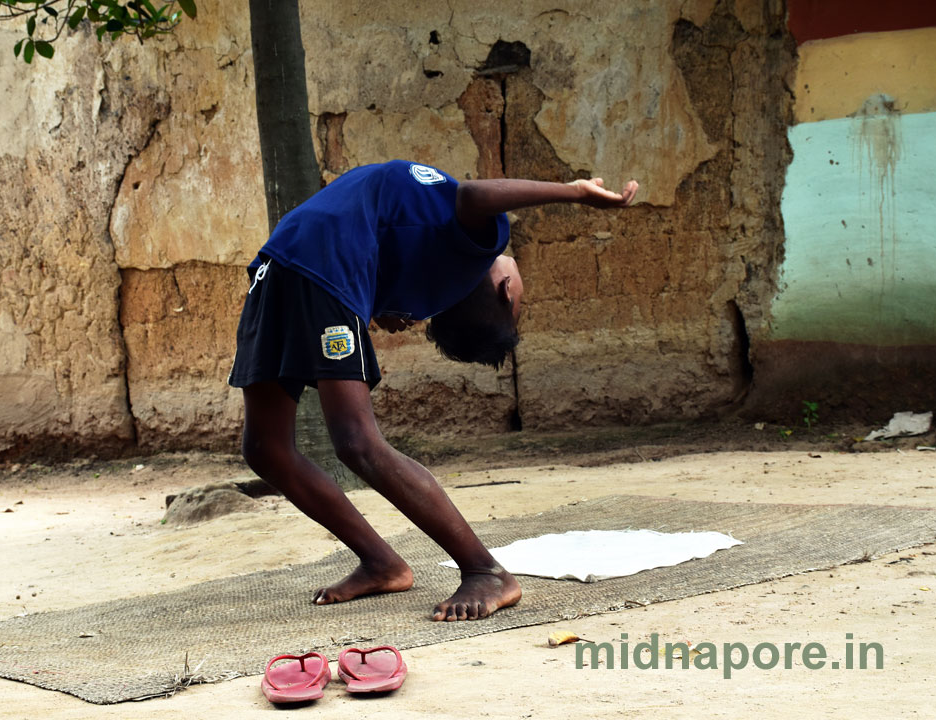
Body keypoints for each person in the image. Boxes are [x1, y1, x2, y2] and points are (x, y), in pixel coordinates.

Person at [230, 160, 638, 621]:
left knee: (357, 442)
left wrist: (577, 193)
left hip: (311, 263)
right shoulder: (458, 257)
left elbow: (469, 198)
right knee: (265, 449)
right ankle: (382, 563)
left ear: (505, 290)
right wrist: (572, 193)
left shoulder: (477, 249)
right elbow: (452, 204)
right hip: (285, 264)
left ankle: (486, 571)